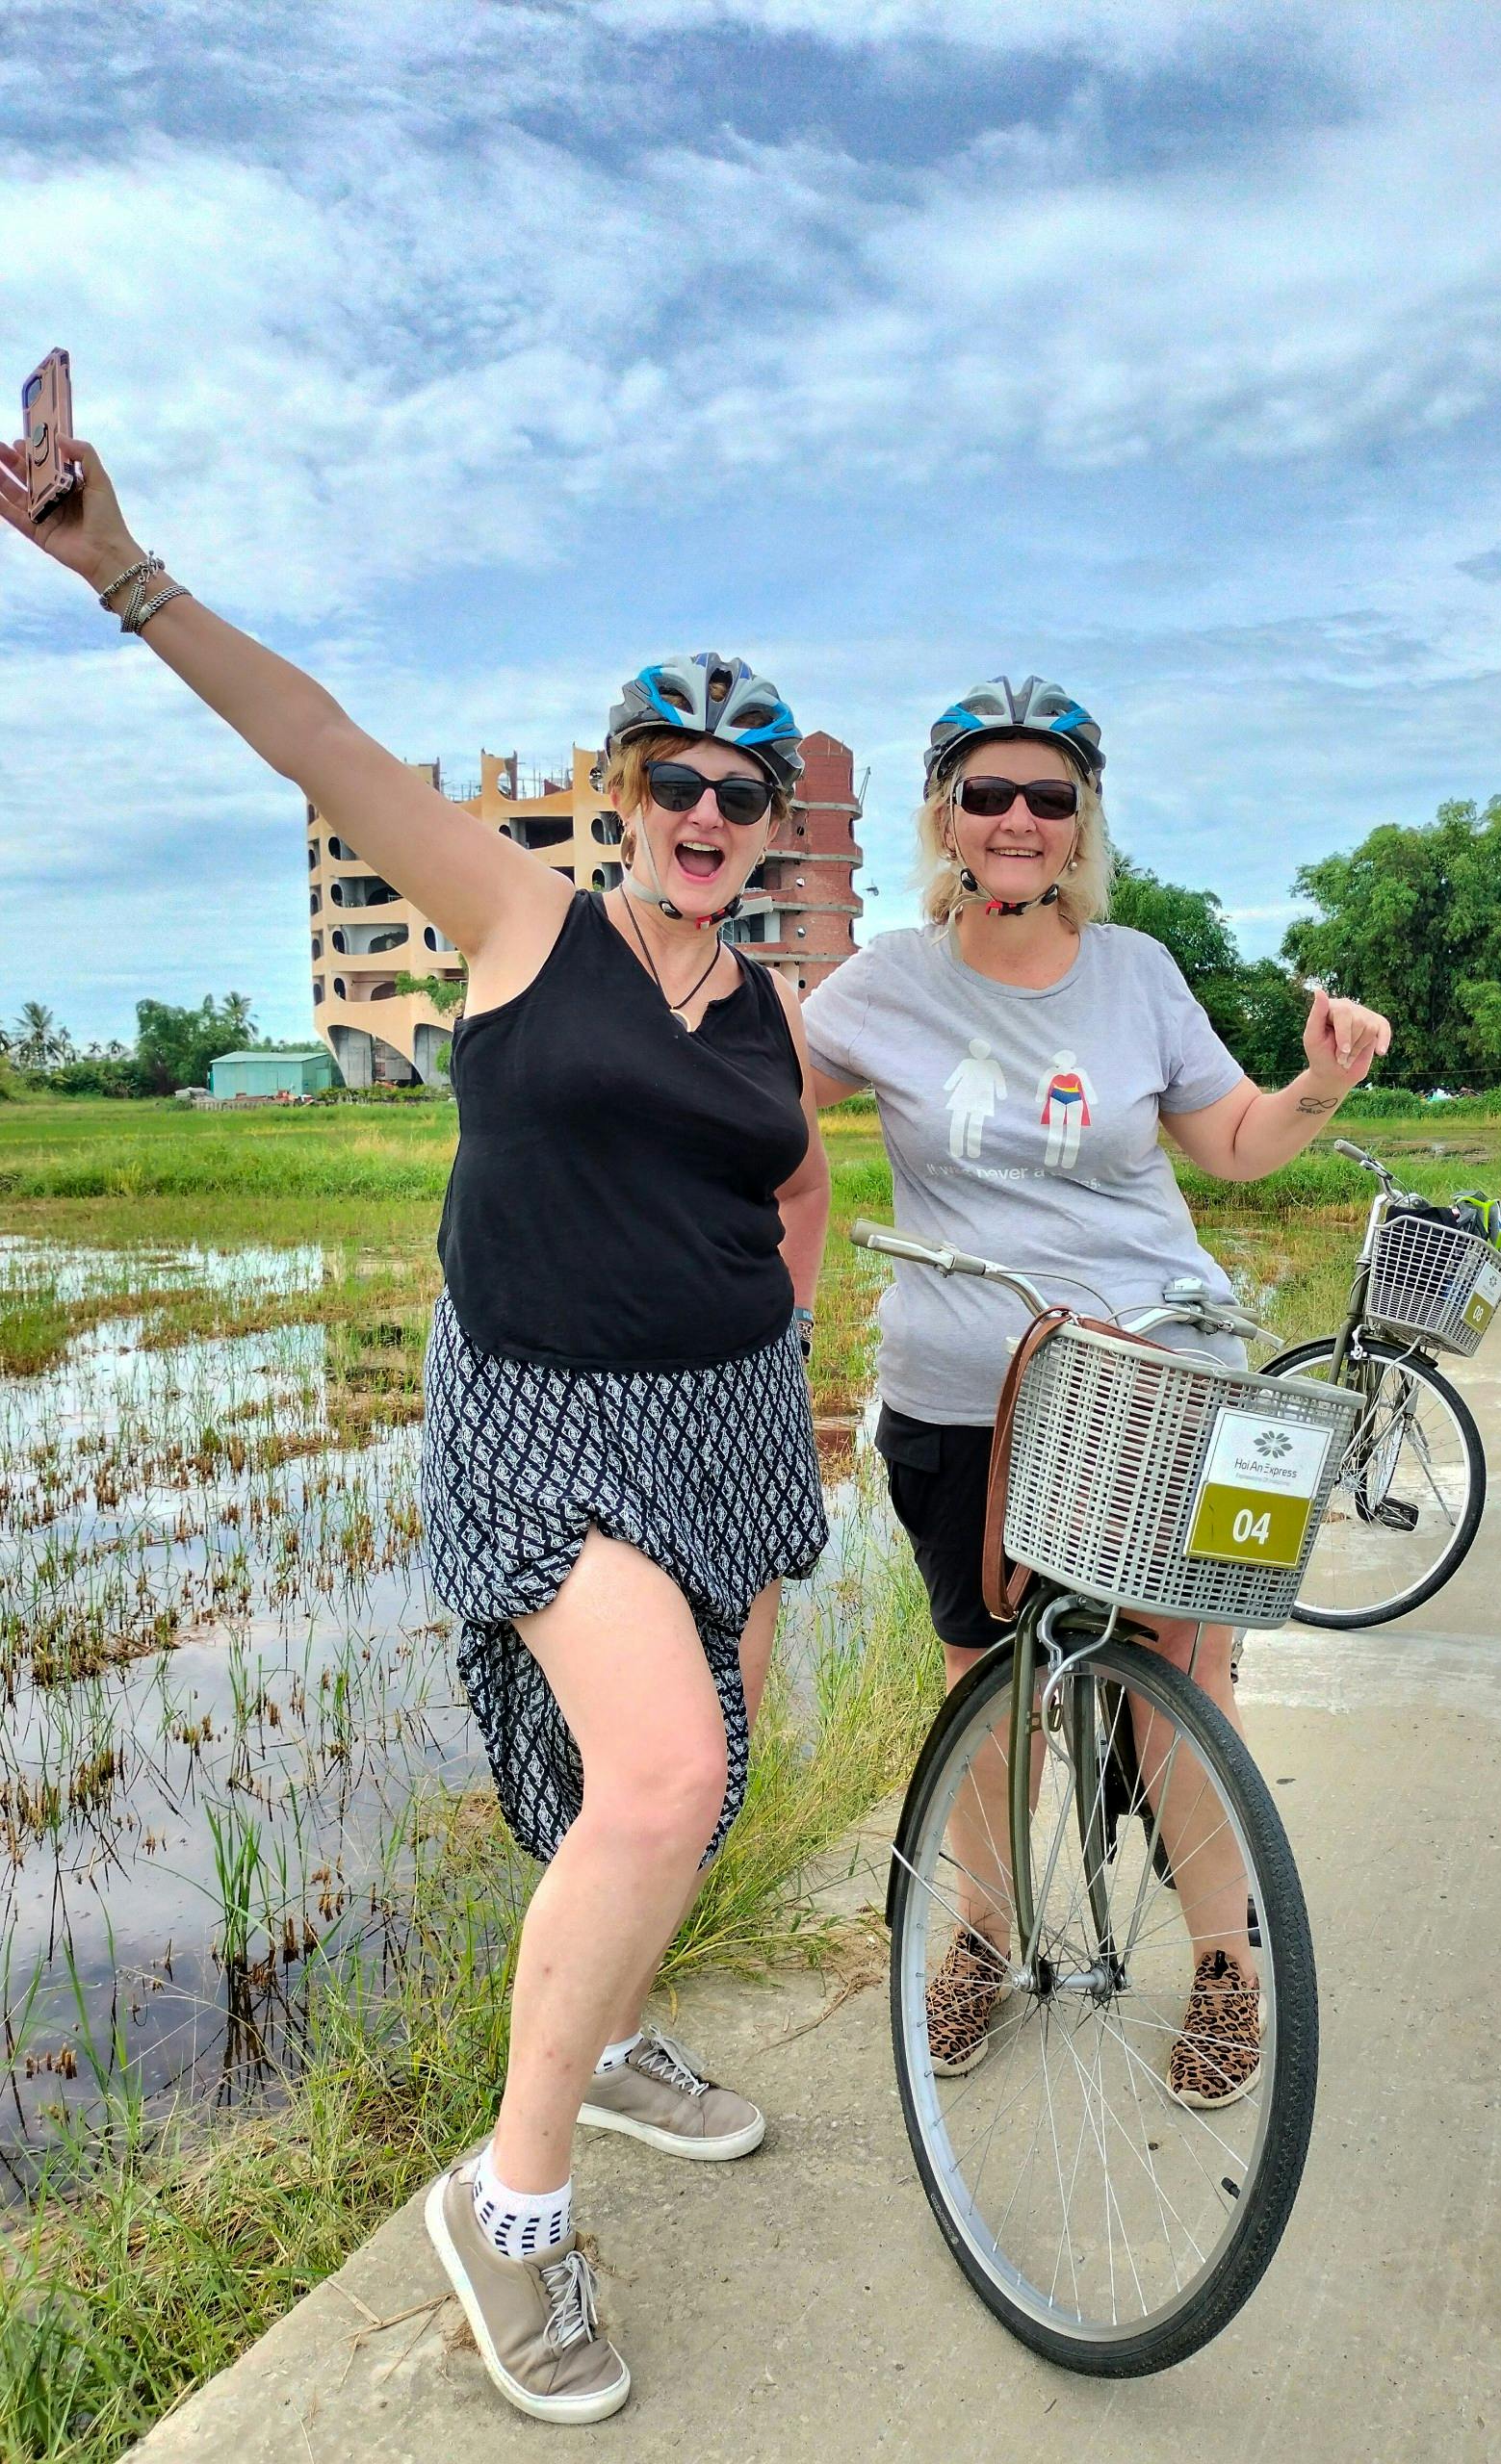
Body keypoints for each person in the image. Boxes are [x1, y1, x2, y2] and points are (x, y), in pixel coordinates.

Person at [1, 431, 831, 2426]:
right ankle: (514, 2204)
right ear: (618, 793)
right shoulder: (521, 918)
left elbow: (787, 1190)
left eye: (744, 791)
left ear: (775, 824)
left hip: (727, 1415)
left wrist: (785, 1327)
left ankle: (612, 2032)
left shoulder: (773, 1002)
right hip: (544, 1412)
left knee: (687, 1791)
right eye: (673, 779)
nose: (707, 812)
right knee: (655, 1777)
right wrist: (124, 571)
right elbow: (323, 737)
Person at [800, 676, 1390, 2107]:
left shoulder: (1138, 971)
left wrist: (1322, 1084)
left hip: (1162, 1372)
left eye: (1046, 798)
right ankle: (980, 1942)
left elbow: (1236, 1146)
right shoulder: (879, 981)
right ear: (944, 815)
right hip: (968, 1386)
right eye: (987, 793)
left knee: (1185, 1675)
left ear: (1082, 823)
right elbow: (750, 1109)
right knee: (980, 1677)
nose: (1017, 819)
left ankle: (1229, 1964)